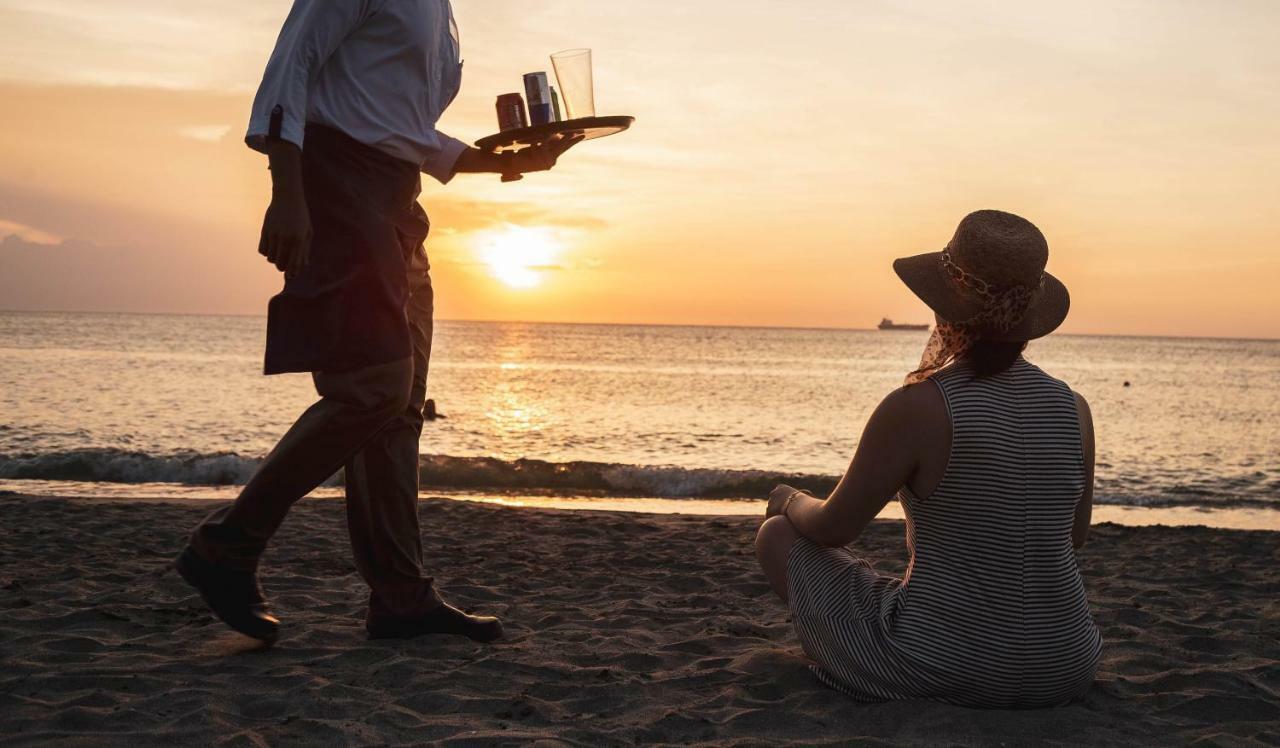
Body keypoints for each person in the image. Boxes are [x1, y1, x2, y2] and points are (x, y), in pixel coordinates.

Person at [175, 0, 580, 645]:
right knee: (371, 389)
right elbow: (291, 66)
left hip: (397, 202)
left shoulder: (440, 12)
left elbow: (402, 130)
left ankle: (400, 598)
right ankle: (227, 545)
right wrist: (287, 191)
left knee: (400, 408)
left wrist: (510, 161)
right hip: (336, 190)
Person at [755, 210, 1101, 708]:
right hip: (1065, 665)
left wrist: (790, 499)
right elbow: (1074, 536)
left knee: (778, 538)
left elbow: (834, 528)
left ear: (945, 310)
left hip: (949, 664)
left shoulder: (919, 406)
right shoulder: (1075, 408)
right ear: (1028, 319)